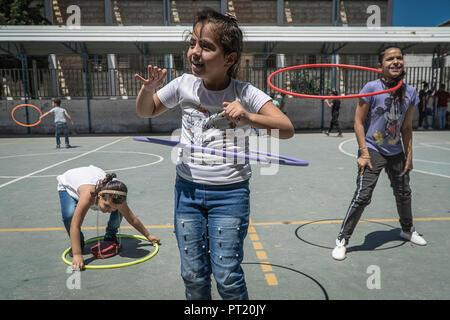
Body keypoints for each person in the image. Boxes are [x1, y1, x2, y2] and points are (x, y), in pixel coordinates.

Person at [135, 9, 294, 300]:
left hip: (230, 196)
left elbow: (286, 128)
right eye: (193, 43)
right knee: (192, 275)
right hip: (188, 194)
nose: (195, 52)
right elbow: (146, 111)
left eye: (206, 46)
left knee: (227, 276)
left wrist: (248, 117)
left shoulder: (245, 93)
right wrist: (148, 90)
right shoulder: (184, 85)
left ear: (229, 58)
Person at [331, 46, 427, 261]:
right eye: (390, 59)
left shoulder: (410, 92)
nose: (396, 62)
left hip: (396, 151)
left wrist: (409, 155)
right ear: (380, 66)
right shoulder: (371, 88)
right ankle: (342, 240)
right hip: (372, 149)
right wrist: (364, 152)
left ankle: (407, 229)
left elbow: (407, 127)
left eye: (399, 58)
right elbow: (357, 122)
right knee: (363, 196)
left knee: (404, 193)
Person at [57, 165, 160, 270]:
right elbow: (75, 225)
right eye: (106, 206)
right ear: (100, 195)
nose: (108, 210)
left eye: (112, 208)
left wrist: (148, 235)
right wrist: (77, 254)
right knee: (70, 215)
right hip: (69, 185)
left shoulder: (117, 195)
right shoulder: (88, 196)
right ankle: (79, 242)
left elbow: (132, 218)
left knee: (121, 212)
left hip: (91, 179)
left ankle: (110, 235)